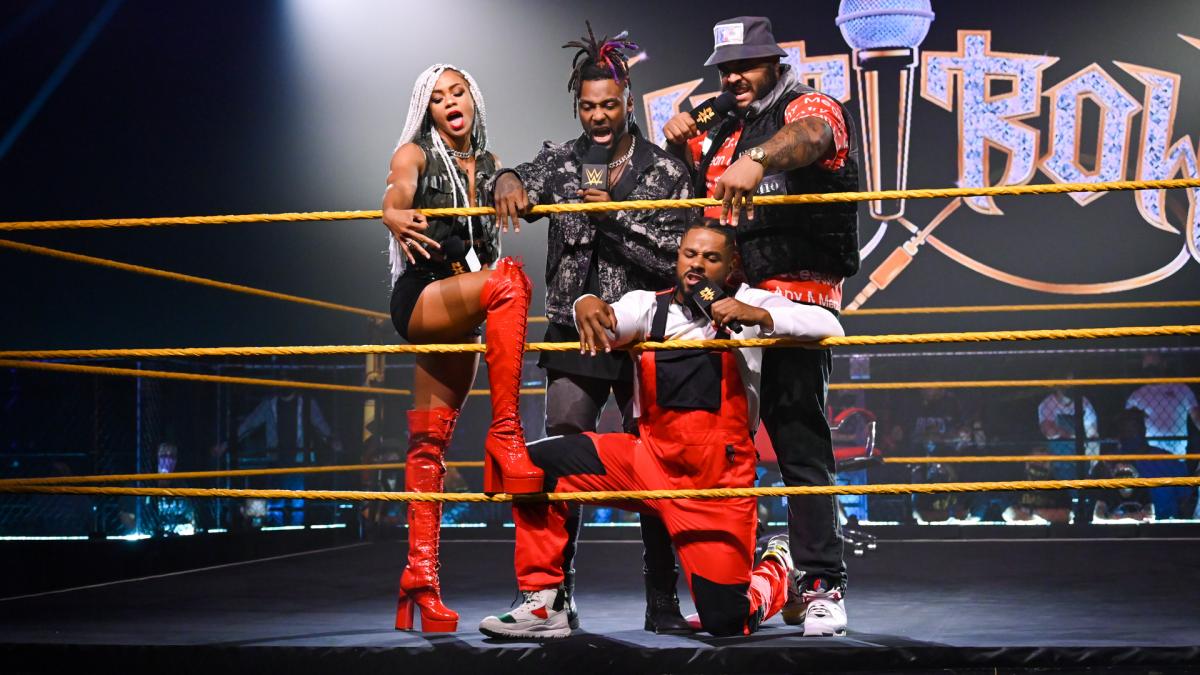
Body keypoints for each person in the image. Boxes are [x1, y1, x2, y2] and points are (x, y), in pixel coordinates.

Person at [478, 224, 846, 638]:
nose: (697, 265)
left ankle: (777, 564)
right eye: (690, 255)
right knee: (531, 463)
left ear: (731, 265)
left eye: (711, 258)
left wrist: (762, 316)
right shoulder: (648, 306)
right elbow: (611, 320)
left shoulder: (752, 301)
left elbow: (830, 326)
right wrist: (586, 302)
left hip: (717, 483)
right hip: (648, 463)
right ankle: (546, 602)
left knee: (727, 621)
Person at [491, 24, 695, 632]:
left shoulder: (666, 171)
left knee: (654, 458)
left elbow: (677, 258)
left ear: (628, 100)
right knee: (558, 451)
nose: (599, 116)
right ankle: (550, 598)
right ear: (576, 106)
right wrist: (506, 181)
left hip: (645, 334)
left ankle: (662, 600)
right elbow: (513, 178)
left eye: (609, 104)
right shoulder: (560, 161)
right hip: (570, 332)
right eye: (587, 106)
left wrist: (612, 218)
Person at [661, 15, 860, 634]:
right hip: (727, 310)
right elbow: (701, 210)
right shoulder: (722, 125)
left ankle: (823, 584)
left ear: (775, 63)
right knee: (721, 451)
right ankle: (745, 578)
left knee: (800, 445)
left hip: (795, 305)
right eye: (725, 68)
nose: (733, 77)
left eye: (745, 65)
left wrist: (756, 158)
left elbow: (814, 136)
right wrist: (681, 142)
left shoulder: (808, 106)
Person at [382, 63, 543, 634]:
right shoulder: (416, 153)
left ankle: (419, 584)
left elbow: (523, 191)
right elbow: (396, 190)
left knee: (429, 443)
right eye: (438, 97)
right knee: (509, 281)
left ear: (473, 99)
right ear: (427, 110)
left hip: (466, 310)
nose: (450, 102)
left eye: (458, 92)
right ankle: (505, 435)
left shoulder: (493, 165)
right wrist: (393, 211)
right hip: (425, 296)